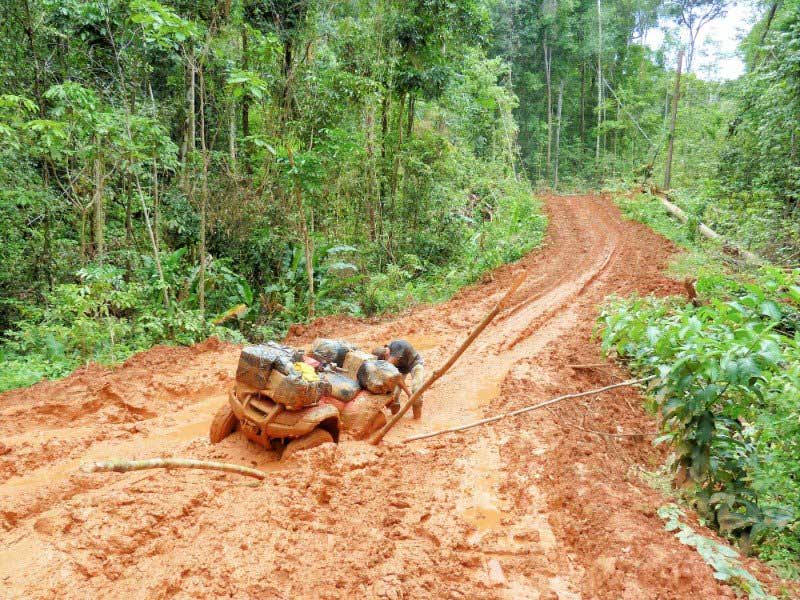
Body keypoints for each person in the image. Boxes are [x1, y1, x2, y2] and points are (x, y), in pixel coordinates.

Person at [372, 339, 425, 419]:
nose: (387, 360)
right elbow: (397, 377)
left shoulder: (396, 346)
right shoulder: (388, 359)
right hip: (401, 369)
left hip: (415, 363)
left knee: (416, 389)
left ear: (386, 353)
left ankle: (417, 418)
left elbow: (388, 369)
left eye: (386, 358)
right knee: (394, 394)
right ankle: (394, 416)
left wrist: (410, 395)